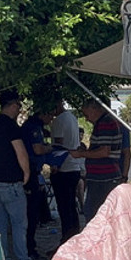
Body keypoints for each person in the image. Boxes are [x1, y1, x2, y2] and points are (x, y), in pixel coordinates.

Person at [0, 90, 32, 260]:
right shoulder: (11, 126)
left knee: (1, 222)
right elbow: (21, 152)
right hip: (11, 181)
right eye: (18, 106)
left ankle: (1, 259)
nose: (19, 109)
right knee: (19, 224)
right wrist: (26, 172)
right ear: (12, 105)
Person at [70, 99, 122, 221]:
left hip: (104, 178)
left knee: (94, 213)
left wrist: (81, 154)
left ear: (93, 109)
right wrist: (86, 151)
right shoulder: (103, 122)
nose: (86, 119)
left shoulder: (105, 123)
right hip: (101, 177)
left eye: (86, 114)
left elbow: (104, 151)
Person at [20, 105, 54, 260]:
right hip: (31, 174)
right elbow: (38, 149)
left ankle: (30, 246)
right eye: (50, 115)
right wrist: (50, 148)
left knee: (35, 213)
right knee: (31, 214)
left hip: (34, 173)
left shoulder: (33, 126)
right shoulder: (33, 128)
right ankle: (29, 249)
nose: (51, 119)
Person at [50, 99, 83, 243]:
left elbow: (58, 145)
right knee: (71, 205)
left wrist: (55, 165)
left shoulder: (59, 121)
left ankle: (66, 238)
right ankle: (74, 235)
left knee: (64, 208)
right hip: (74, 166)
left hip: (64, 168)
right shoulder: (72, 118)